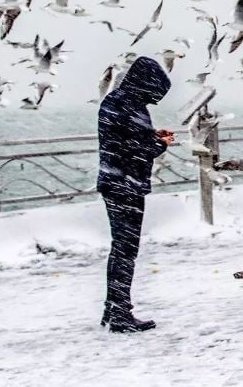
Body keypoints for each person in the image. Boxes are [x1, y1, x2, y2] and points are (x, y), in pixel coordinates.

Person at [97, 57, 173, 332]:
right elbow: (133, 149)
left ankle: (113, 307)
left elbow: (124, 138)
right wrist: (159, 144)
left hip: (115, 182)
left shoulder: (118, 101)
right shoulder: (129, 104)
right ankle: (119, 314)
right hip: (125, 185)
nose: (155, 100)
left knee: (121, 248)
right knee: (125, 250)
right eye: (155, 93)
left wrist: (151, 134)